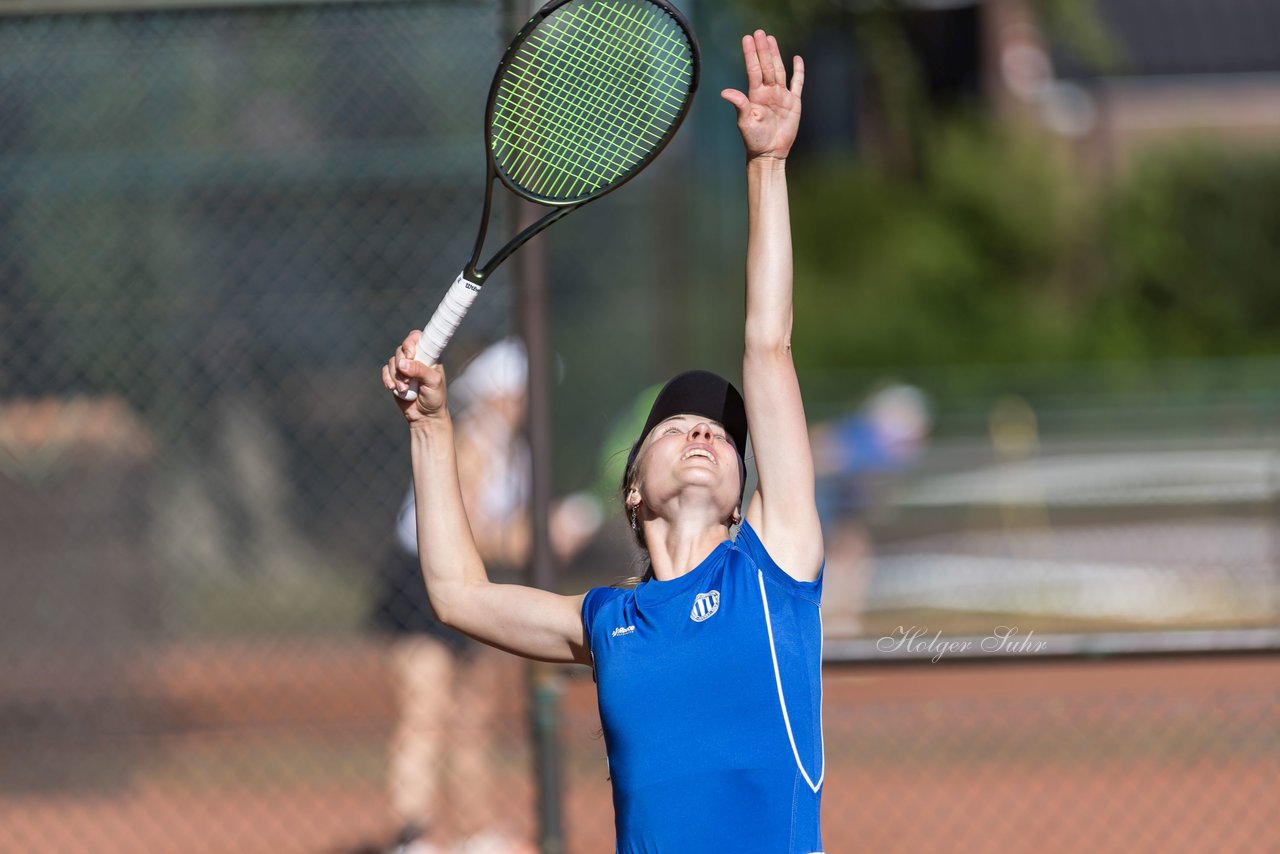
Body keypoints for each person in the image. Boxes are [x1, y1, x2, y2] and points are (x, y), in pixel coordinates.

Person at [382, 30, 823, 853]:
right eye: (677, 426)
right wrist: (430, 423)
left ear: (742, 497)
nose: (702, 430)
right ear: (632, 487)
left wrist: (766, 167)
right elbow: (457, 594)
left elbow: (767, 347)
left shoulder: (776, 570)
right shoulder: (608, 622)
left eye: (722, 434)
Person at [372, 339, 598, 854]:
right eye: (519, 393)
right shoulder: (474, 440)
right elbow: (470, 531)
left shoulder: (516, 456)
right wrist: (546, 533)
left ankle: (473, 832)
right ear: (500, 394)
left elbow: (499, 536)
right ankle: (413, 837)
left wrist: (547, 531)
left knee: (472, 714)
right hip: (417, 578)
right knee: (424, 709)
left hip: (470, 581)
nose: (527, 403)